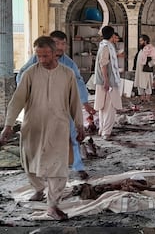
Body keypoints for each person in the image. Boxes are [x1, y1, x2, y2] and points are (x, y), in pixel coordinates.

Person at [0, 36, 84, 220]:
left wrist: (80, 125)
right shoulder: (30, 73)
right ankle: (39, 189)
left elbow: (75, 103)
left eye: (46, 56)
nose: (42, 60)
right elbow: (17, 101)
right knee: (30, 163)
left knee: (58, 167)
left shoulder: (67, 74)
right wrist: (8, 126)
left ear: (55, 53)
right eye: (39, 56)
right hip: (33, 126)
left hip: (58, 127)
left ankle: (53, 206)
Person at [16, 30, 94, 180]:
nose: (60, 47)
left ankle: (78, 166)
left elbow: (78, 83)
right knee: (40, 140)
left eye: (63, 43)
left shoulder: (69, 64)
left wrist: (85, 103)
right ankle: (40, 170)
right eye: (56, 43)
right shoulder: (35, 62)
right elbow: (21, 80)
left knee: (73, 136)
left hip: (62, 108)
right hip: (40, 109)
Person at [94, 26, 123, 140]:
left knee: (103, 106)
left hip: (103, 80)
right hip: (108, 81)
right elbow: (103, 64)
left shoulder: (103, 45)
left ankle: (102, 129)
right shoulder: (106, 47)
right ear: (112, 36)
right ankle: (106, 131)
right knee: (110, 106)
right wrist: (106, 80)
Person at [134, 34, 155, 104]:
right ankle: (142, 99)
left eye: (141, 41)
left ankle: (147, 99)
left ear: (145, 41)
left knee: (147, 84)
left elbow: (154, 59)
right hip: (139, 70)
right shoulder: (141, 50)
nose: (140, 42)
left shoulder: (151, 48)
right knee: (139, 83)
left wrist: (148, 64)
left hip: (146, 70)